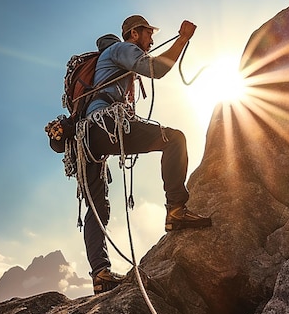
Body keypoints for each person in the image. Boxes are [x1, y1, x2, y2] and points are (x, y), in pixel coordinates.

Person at [78, 15, 212, 294]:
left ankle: (100, 274)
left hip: (87, 136)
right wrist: (183, 39)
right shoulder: (121, 49)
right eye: (148, 34)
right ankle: (176, 209)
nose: (151, 40)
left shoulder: (106, 62)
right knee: (174, 139)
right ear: (134, 34)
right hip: (106, 124)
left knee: (97, 205)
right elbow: (156, 69)